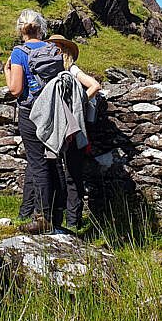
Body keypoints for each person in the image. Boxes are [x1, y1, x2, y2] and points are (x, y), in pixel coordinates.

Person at [4, 9, 64, 234]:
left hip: (31, 112)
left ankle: (42, 218)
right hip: (53, 111)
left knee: (38, 164)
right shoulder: (54, 49)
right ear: (40, 27)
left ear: (21, 29)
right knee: (54, 162)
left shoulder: (20, 52)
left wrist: (6, 71)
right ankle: (58, 215)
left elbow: (15, 89)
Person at [47, 34, 100, 231]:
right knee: (59, 173)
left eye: (55, 47)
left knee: (72, 174)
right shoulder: (53, 70)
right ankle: (60, 219)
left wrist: (78, 103)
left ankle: (73, 221)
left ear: (62, 50)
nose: (52, 50)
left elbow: (95, 85)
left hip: (73, 128)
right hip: (59, 127)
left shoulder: (72, 70)